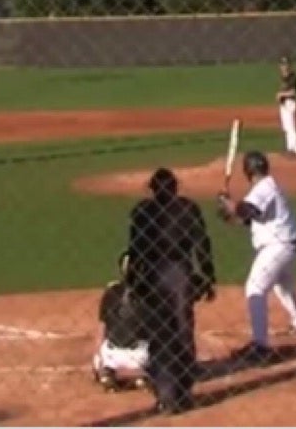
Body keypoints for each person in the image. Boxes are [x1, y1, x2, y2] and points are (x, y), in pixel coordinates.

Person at [126, 168, 216, 415]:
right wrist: (208, 277)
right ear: (176, 188)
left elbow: (135, 249)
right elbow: (201, 244)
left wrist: (133, 281)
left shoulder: (142, 211)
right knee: (183, 329)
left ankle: (165, 395)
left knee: (159, 333)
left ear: (153, 189)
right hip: (181, 274)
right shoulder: (188, 208)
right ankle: (184, 391)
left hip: (153, 275)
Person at [216, 151, 296, 363]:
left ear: (247, 172)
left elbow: (247, 209)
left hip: (278, 247)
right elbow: (251, 219)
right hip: (286, 245)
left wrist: (229, 204)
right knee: (282, 284)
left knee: (255, 287)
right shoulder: (269, 187)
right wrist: (230, 214)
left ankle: (260, 347)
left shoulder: (264, 188)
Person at [91, 253, 151, 392]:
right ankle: (141, 375)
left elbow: (102, 328)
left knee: (106, 345)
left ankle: (108, 373)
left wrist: (97, 358)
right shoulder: (150, 294)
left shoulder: (110, 292)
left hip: (111, 356)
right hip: (139, 357)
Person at [276, 57, 296, 158]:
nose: (283, 67)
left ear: (289, 66)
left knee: (292, 127)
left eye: (285, 64)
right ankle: (289, 149)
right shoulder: (284, 77)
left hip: (290, 103)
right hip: (284, 104)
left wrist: (281, 94)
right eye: (282, 65)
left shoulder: (293, 77)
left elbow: (293, 92)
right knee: (287, 127)